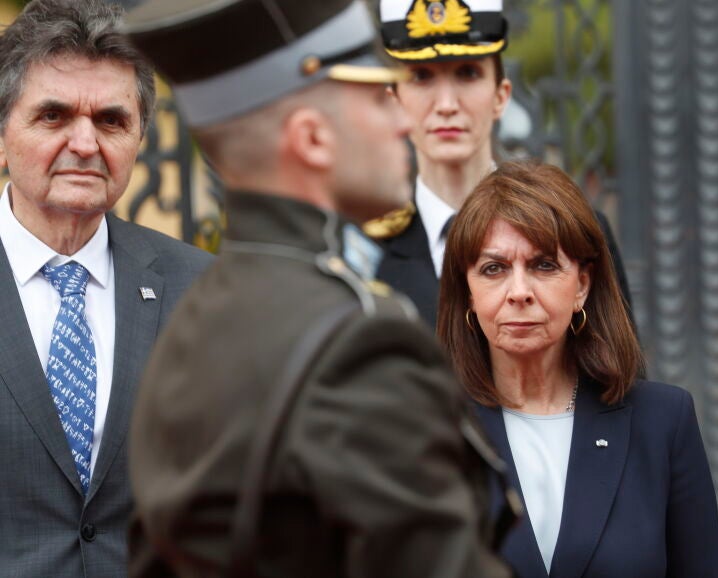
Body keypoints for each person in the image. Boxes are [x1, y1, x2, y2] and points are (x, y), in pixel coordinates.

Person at [121, 0, 515, 575]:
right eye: (377, 97)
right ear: (312, 139)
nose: (403, 122)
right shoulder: (358, 343)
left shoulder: (194, 317)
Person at [0, 0, 213, 576]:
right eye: (53, 116)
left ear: (140, 137)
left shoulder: (200, 290)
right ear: (2, 134)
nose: (85, 143)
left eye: (111, 121)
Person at [437, 159, 718, 577]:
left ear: (583, 286)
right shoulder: (433, 429)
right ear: (468, 292)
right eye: (494, 269)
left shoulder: (662, 421)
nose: (519, 292)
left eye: (543, 265)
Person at [367, 0, 632, 329]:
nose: (446, 105)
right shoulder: (367, 251)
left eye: (468, 73)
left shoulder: (575, 231)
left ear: (501, 96)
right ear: (394, 100)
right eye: (421, 76)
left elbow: (616, 359)